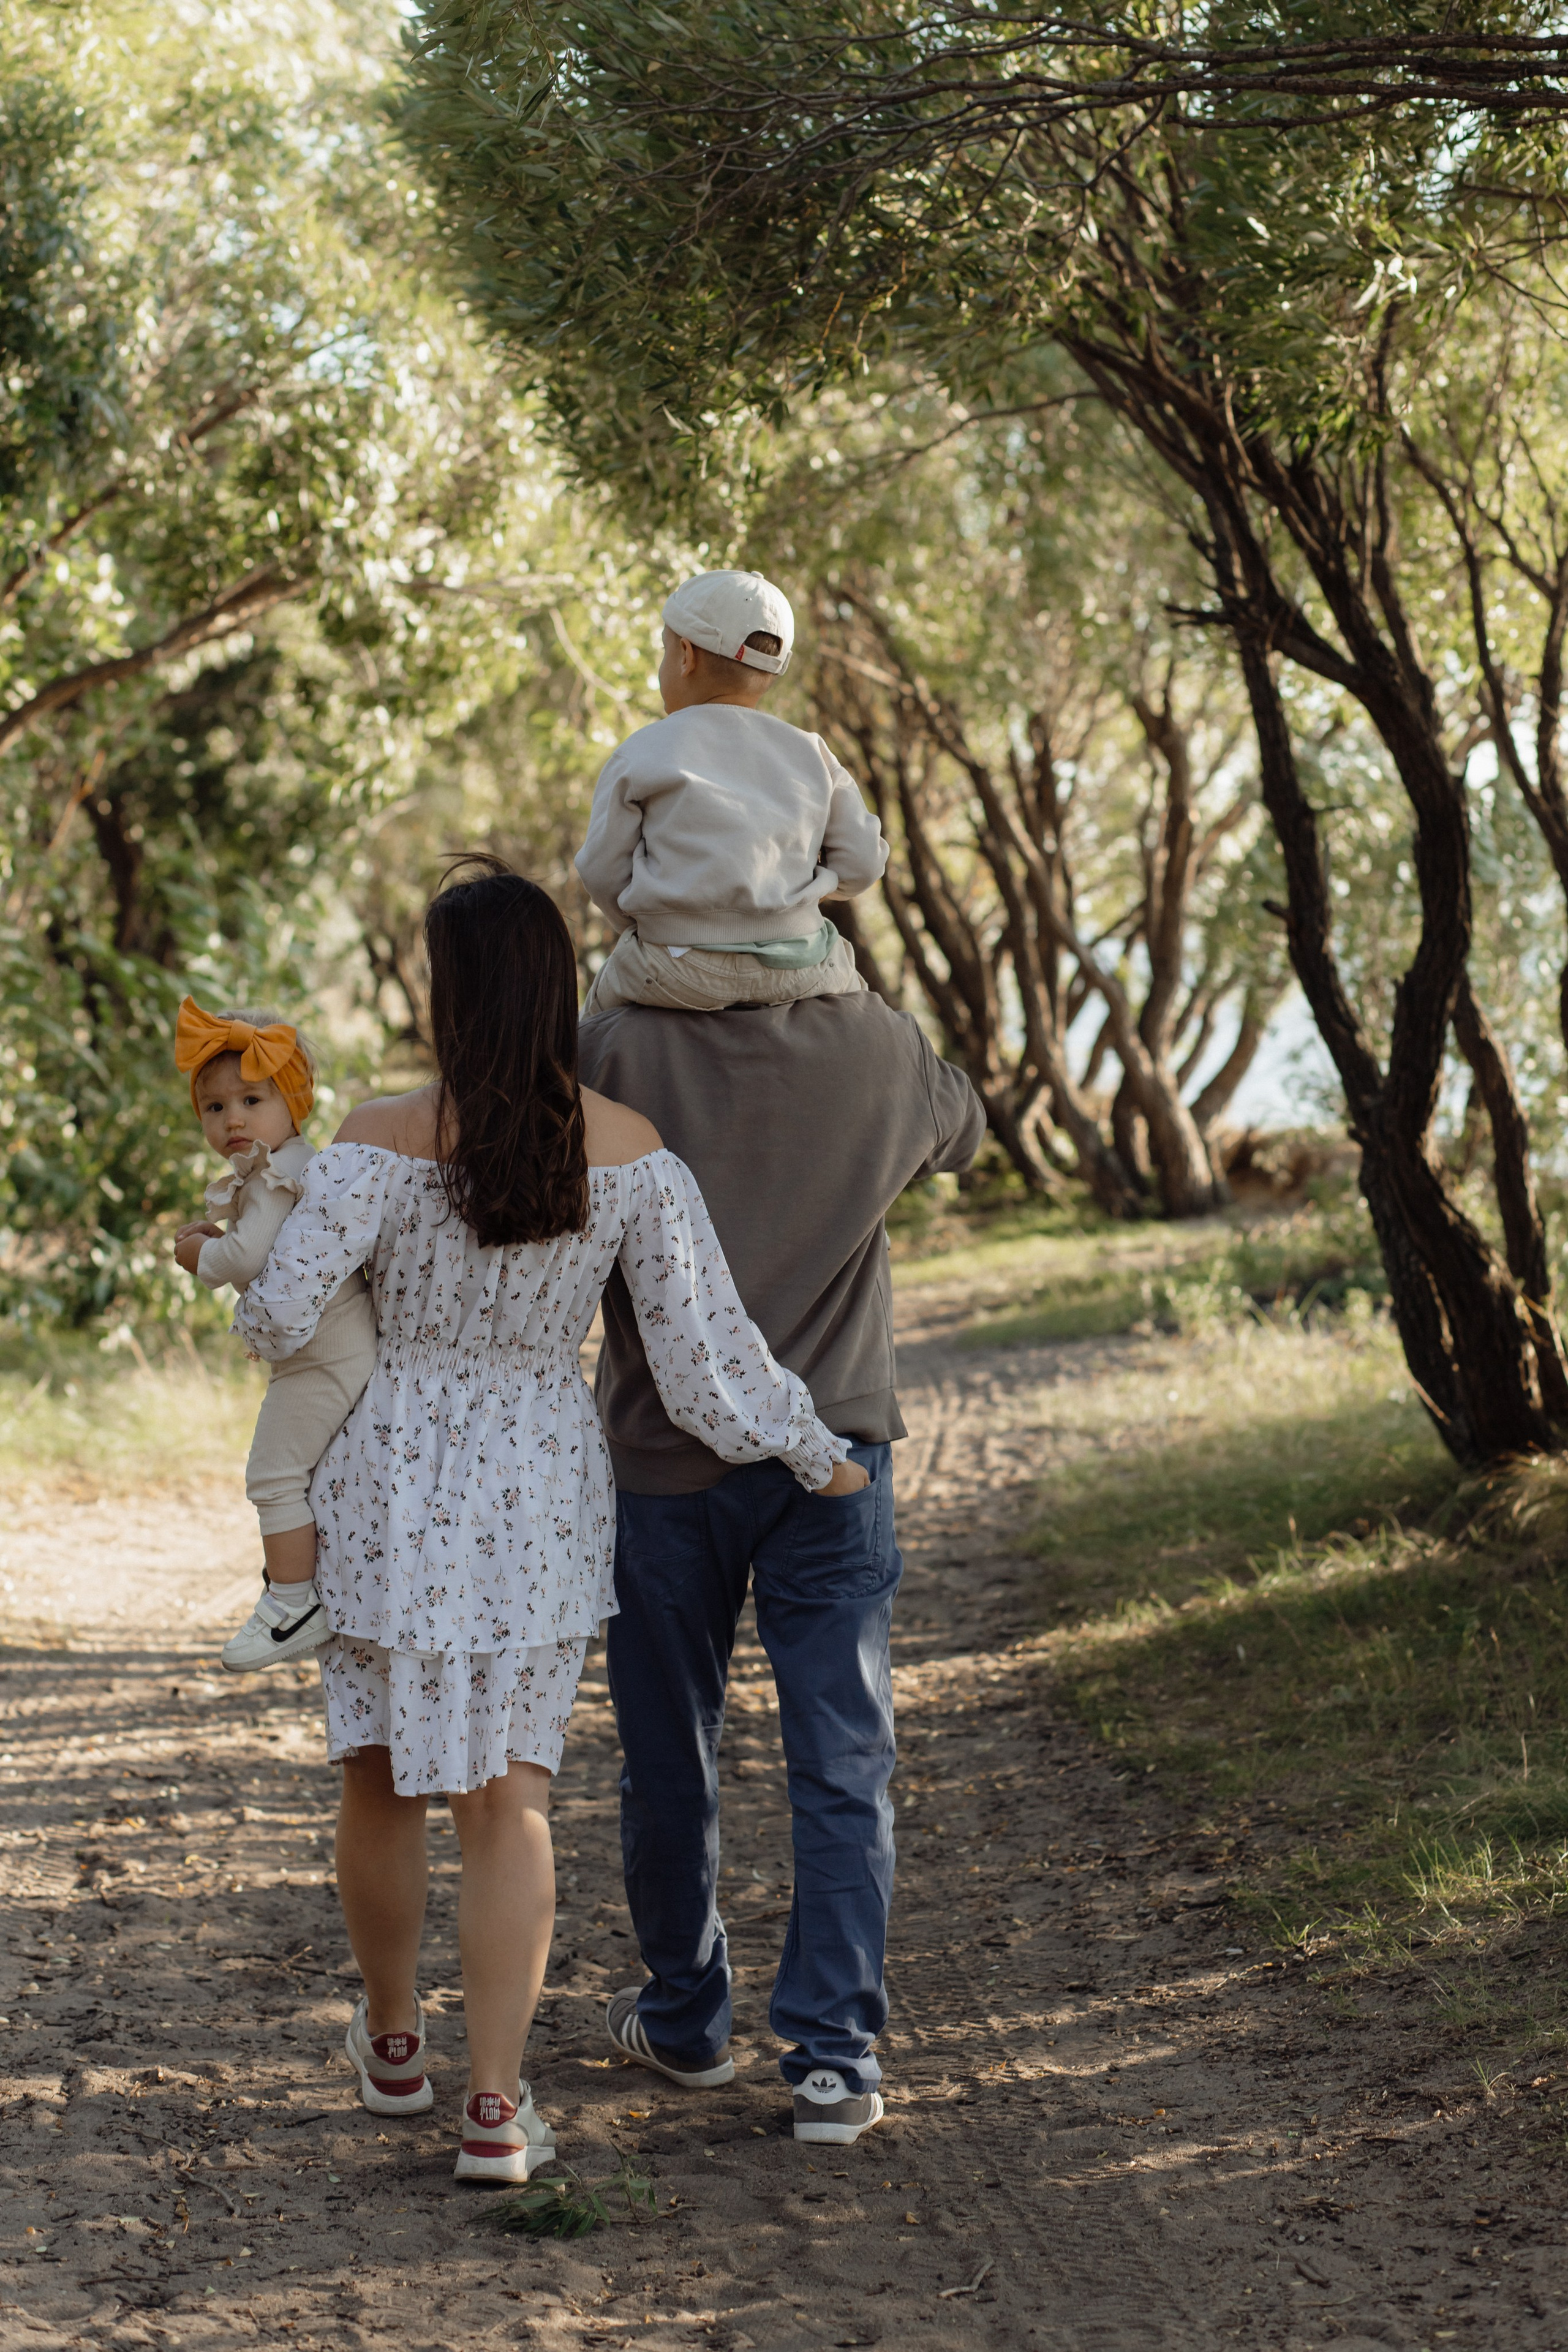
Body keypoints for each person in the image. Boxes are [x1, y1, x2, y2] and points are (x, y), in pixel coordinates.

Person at [232, 861, 867, 2187]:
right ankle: (492, 2111)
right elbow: (705, 1363)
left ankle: (394, 2048)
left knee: (376, 1774)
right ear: (558, 990)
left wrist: (253, 1259)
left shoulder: (375, 1133)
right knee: (507, 1802)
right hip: (535, 1483)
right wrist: (813, 1449)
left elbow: (279, 1318)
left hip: (382, 1474)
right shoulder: (629, 1151)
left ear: (445, 994)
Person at [579, 980, 987, 2143]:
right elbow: (964, 1131)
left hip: (663, 1457)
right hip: (838, 1450)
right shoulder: (881, 1041)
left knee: (666, 1751)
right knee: (844, 1757)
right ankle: (833, 2058)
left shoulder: (608, 1044)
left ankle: (686, 2019)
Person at [575, 567, 888, 1015]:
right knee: (867, 1011)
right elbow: (862, 864)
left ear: (685, 656)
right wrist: (806, 897)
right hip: (801, 966)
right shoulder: (813, 754)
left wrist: (658, 920)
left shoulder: (640, 751)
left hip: (676, 968)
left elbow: (601, 871)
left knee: (591, 1026)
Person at [172, 1000, 377, 1673]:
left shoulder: (275, 1182)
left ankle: (293, 1604)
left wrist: (200, 1255)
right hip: (328, 1351)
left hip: (325, 1361)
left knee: (273, 1474)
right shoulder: (282, 1165)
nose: (232, 1119)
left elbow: (247, 1259)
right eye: (214, 1107)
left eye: (252, 1100)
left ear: (293, 1100)